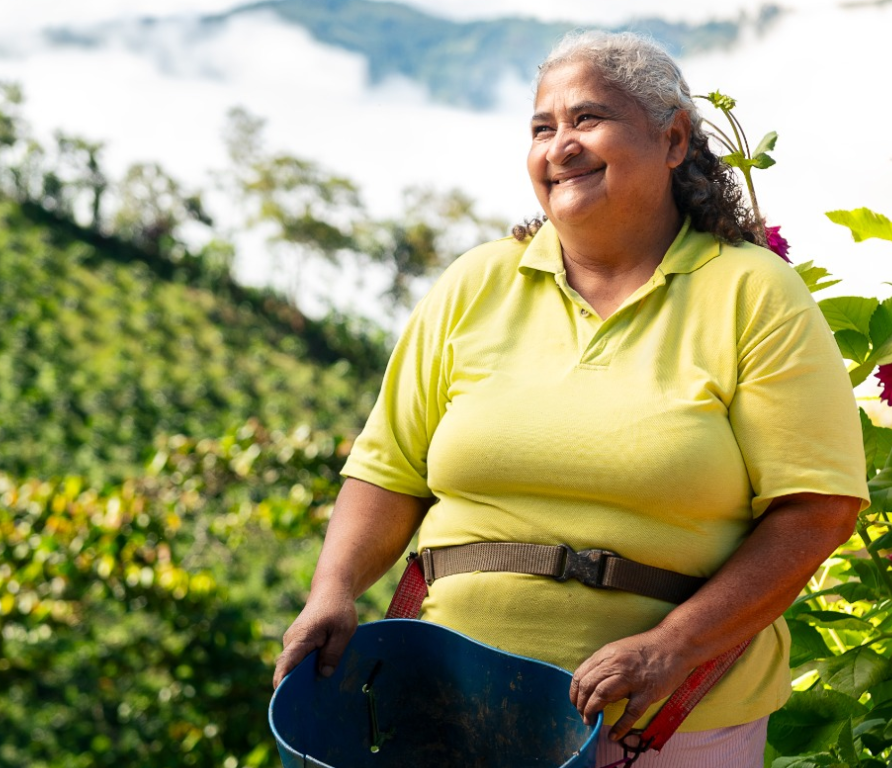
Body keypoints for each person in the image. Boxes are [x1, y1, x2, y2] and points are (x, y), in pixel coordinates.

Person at [273, 30, 868, 766]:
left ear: (674, 138)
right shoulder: (476, 284)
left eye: (587, 119)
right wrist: (332, 590)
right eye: (541, 128)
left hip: (667, 725)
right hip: (442, 714)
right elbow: (388, 470)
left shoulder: (753, 294)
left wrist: (669, 648)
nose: (560, 146)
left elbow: (818, 508)